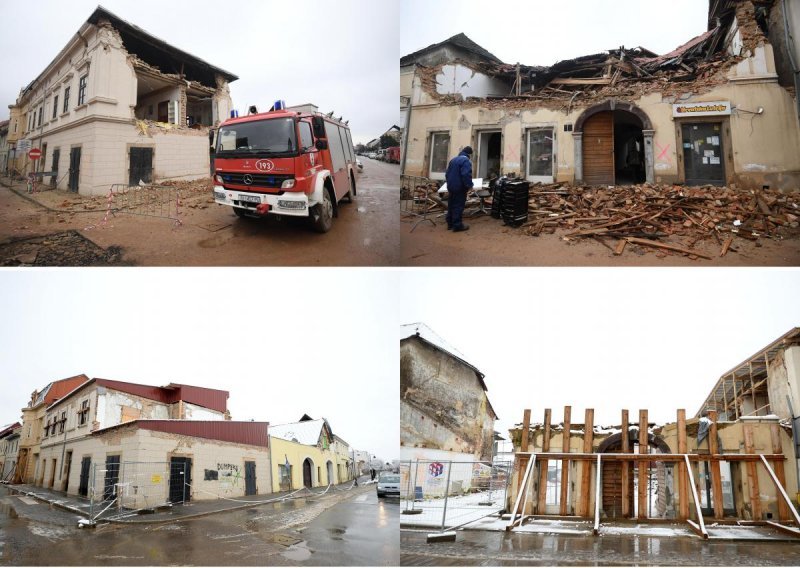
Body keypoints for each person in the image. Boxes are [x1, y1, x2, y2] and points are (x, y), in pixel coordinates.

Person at [444, 146, 474, 232]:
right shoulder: (466, 161)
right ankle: (457, 225)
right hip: (459, 187)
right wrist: (469, 185)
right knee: (458, 206)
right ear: (469, 154)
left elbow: (447, 174)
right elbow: (466, 174)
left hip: (451, 186)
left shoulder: (453, 160)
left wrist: (450, 183)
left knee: (451, 205)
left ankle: (450, 224)